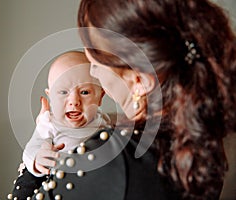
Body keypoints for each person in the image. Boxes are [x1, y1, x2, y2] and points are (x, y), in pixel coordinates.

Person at [28, 0, 236, 200]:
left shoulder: (114, 159)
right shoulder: (203, 137)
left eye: (96, 64)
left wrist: (42, 137)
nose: (93, 72)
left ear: (139, 80)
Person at [9, 51, 111, 200]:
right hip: (55, 183)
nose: (74, 100)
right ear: (50, 97)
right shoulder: (49, 123)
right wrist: (38, 160)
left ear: (100, 96)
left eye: (84, 92)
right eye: (63, 92)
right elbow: (31, 148)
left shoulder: (103, 121)